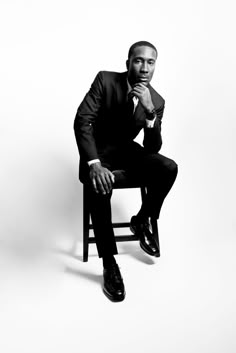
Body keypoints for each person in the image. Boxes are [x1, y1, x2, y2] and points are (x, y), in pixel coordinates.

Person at [74, 41, 178, 302]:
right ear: (128, 63)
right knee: (101, 185)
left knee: (167, 168)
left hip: (126, 152)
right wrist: (94, 164)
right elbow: (82, 120)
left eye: (150, 62)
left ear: (155, 66)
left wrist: (150, 112)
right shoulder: (105, 80)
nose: (144, 67)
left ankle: (141, 220)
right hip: (96, 154)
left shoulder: (156, 100)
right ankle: (109, 263)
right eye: (138, 60)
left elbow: (151, 147)